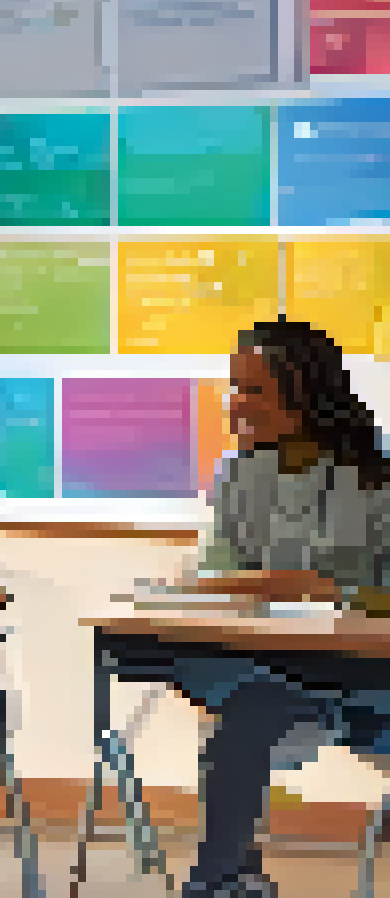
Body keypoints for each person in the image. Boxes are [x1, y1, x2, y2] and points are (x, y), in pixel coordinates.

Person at [159, 319, 390, 898]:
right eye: (234, 387)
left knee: (250, 710)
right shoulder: (241, 467)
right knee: (244, 715)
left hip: (368, 672)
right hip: (276, 666)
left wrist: (327, 592)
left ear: (305, 393)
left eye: (253, 389)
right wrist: (236, 586)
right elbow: (220, 569)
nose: (236, 403)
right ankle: (224, 880)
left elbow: (366, 586)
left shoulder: (372, 471)